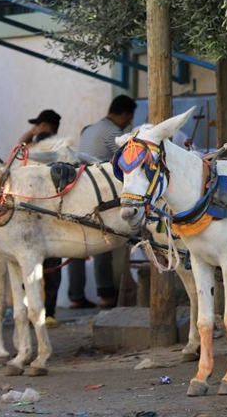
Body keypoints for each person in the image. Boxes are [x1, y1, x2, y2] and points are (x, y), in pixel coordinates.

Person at [68, 94, 137, 309]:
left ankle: (76, 296)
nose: (128, 123)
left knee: (77, 246)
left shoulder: (89, 130)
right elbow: (131, 163)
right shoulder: (114, 133)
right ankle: (106, 294)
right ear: (125, 114)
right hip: (99, 192)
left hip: (78, 190)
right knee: (103, 241)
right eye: (129, 119)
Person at [20, 110, 63, 328]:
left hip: (34, 219)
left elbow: (17, 151)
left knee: (31, 268)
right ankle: (48, 313)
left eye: (37, 126)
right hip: (52, 220)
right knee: (51, 269)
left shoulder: (37, 153)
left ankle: (32, 311)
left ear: (46, 126)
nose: (33, 131)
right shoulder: (61, 150)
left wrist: (30, 135)